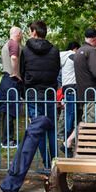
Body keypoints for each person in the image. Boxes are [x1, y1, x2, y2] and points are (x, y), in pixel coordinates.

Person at [20, 20, 60, 172]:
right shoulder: (54, 50)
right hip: (49, 92)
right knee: (51, 127)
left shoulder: (25, 50)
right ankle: (54, 161)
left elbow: (23, 71)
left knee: (39, 128)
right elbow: (56, 70)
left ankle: (46, 163)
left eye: (30, 31)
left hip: (33, 93)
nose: (29, 34)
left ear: (34, 32)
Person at [73, 28, 96, 124]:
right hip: (92, 94)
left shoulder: (79, 51)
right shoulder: (92, 51)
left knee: (85, 120)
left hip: (82, 93)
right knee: (91, 123)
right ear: (94, 38)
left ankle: (70, 139)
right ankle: (78, 140)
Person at [0, 26, 24, 148]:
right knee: (10, 111)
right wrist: (16, 73)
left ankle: (6, 140)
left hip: (6, 80)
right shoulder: (14, 44)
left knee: (7, 111)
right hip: (11, 80)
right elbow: (13, 57)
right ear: (18, 34)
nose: (22, 36)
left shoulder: (6, 44)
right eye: (22, 33)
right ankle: (8, 141)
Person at [58, 41, 80, 140]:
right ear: (76, 48)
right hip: (73, 87)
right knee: (71, 113)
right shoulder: (73, 56)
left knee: (67, 112)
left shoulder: (63, 56)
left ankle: (65, 134)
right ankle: (68, 135)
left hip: (65, 87)